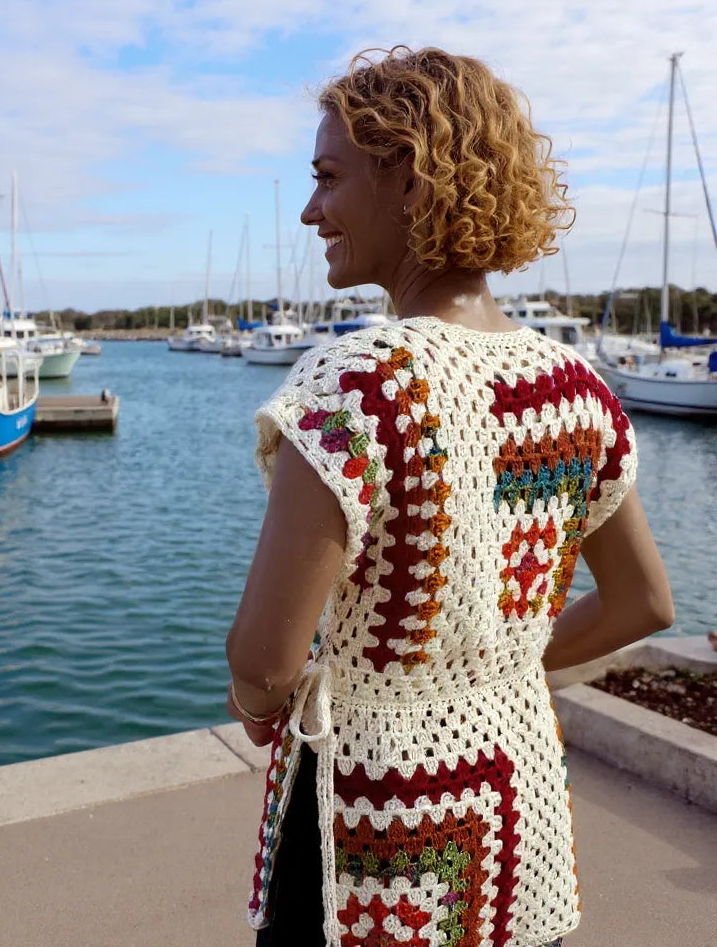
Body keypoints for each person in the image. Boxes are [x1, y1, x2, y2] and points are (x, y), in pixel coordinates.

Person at [225, 47, 674, 947]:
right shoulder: (576, 390)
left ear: (410, 178)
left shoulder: (359, 384)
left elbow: (266, 659)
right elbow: (643, 603)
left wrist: (258, 705)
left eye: (327, 178)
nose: (311, 211)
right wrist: (488, 668)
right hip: (516, 814)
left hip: (372, 819)